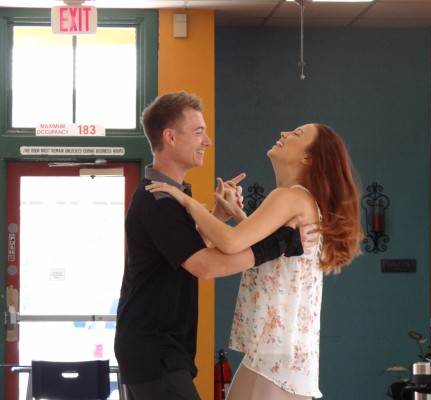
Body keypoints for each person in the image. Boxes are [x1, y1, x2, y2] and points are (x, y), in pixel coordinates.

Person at [114, 91, 311, 400]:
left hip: (157, 349)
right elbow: (205, 266)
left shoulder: (168, 197)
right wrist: (282, 243)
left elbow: (184, 252)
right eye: (198, 132)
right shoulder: (158, 199)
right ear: (170, 137)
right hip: (154, 350)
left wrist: (219, 216)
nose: (207, 141)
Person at [146, 122, 364, 399]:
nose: (284, 133)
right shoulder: (301, 200)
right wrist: (238, 214)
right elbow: (273, 255)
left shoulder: (288, 197)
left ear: (308, 158)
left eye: (296, 134)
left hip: (275, 353)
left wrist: (186, 202)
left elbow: (231, 243)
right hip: (289, 352)